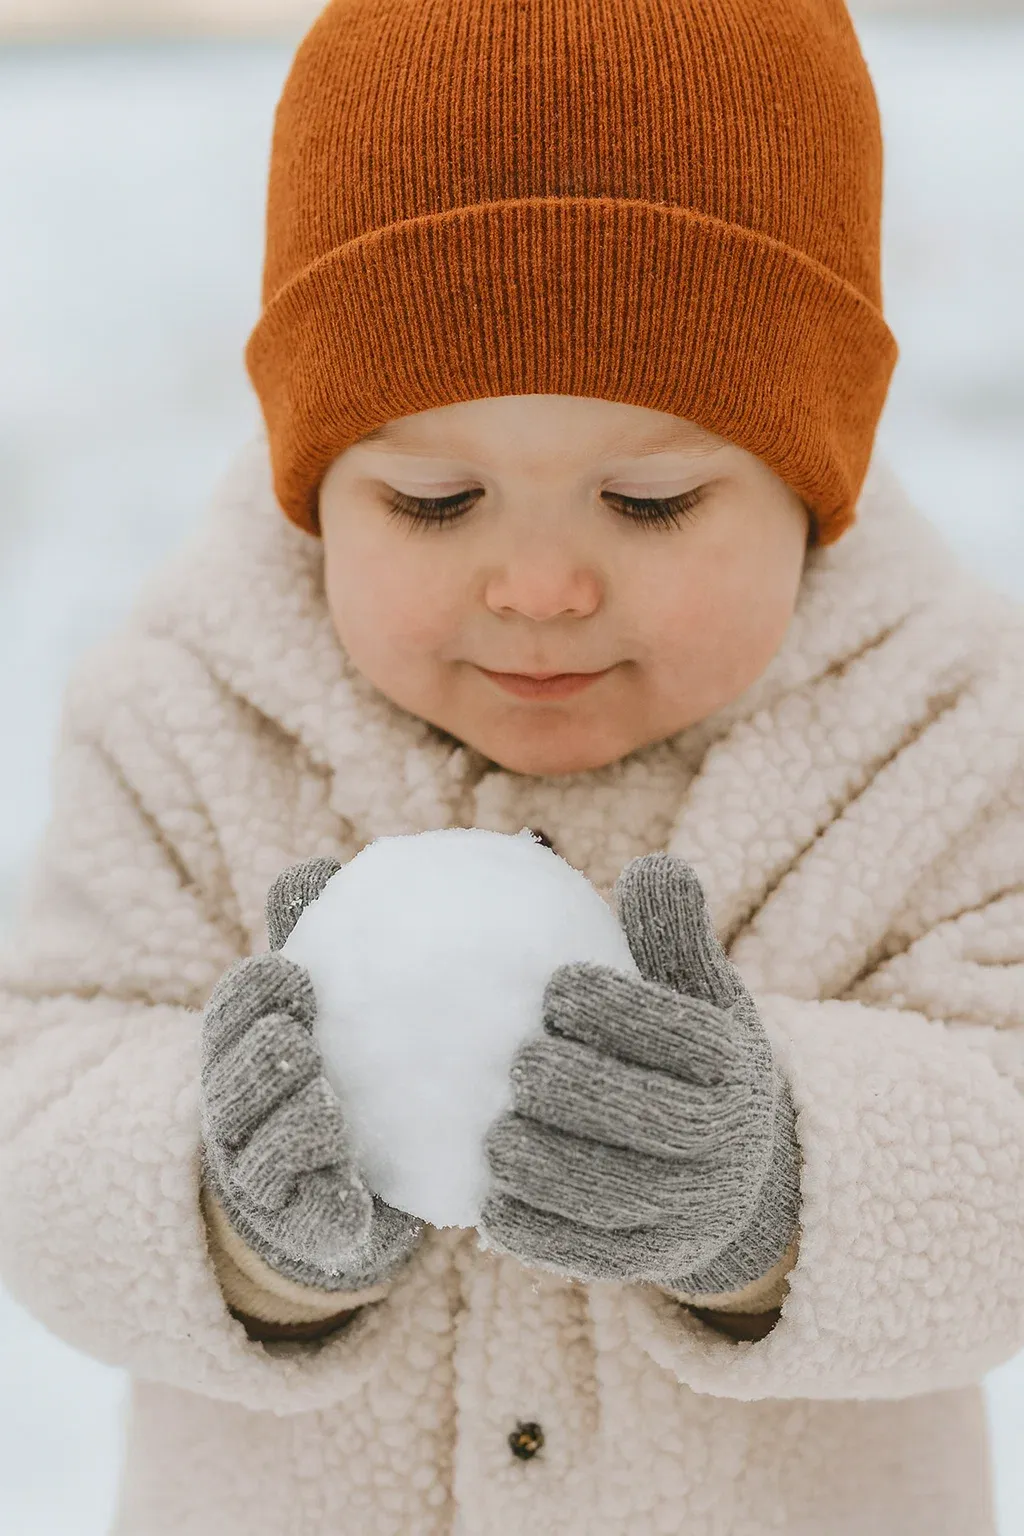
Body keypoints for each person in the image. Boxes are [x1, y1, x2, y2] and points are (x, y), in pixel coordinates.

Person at [2, 0, 1023, 1531]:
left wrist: (774, 1186)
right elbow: (40, 1105)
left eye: (654, 499)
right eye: (432, 499)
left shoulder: (937, 724)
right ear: (316, 484)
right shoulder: (192, 709)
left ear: (819, 477)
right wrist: (231, 1217)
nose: (539, 586)